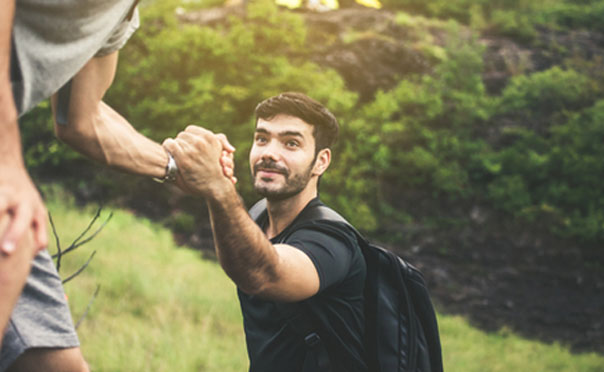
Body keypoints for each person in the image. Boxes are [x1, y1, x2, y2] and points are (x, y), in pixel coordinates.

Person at [0, 1, 234, 370]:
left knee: (56, 364)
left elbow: (81, 119)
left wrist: (178, 166)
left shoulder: (121, 13)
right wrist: (6, 160)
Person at [164, 92, 368, 372]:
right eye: (262, 138)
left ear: (321, 161)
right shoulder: (257, 215)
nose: (269, 152)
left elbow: (263, 275)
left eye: (291, 143)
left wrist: (218, 187)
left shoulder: (332, 240)